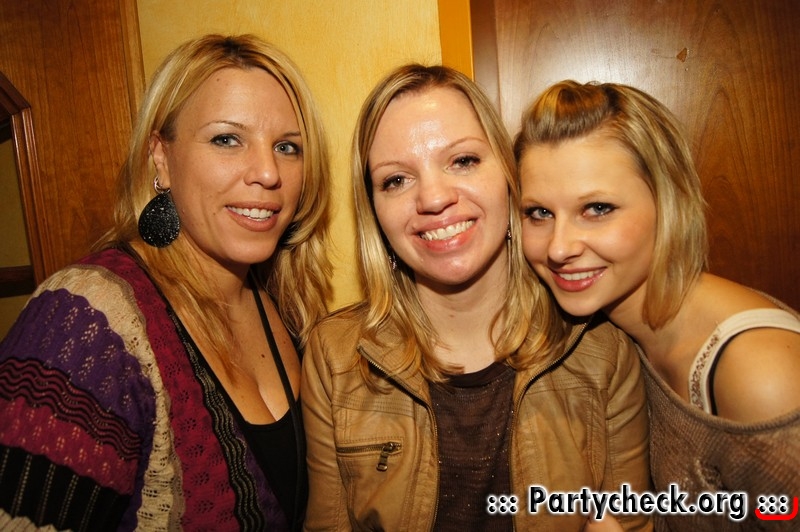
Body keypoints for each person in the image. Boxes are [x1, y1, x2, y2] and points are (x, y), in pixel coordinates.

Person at [0, 34, 331, 531]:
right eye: (227, 139)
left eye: (287, 147)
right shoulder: (88, 320)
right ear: (161, 156)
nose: (268, 172)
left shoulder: (286, 304)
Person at [301, 64, 651, 531]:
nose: (433, 198)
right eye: (396, 180)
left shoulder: (602, 348)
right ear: (375, 212)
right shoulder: (335, 355)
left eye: (463, 160)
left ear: (509, 175)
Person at [514, 80, 800, 530]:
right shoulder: (610, 333)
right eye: (539, 213)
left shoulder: (758, 372)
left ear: (669, 202)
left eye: (597, 209)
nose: (558, 247)